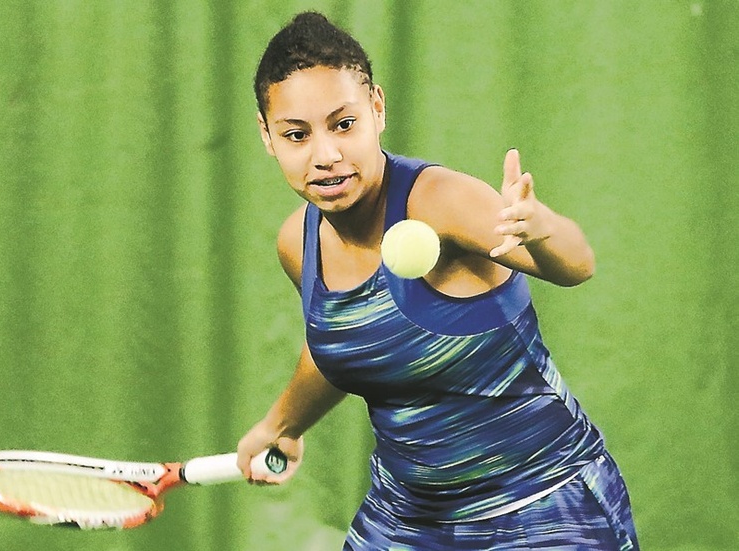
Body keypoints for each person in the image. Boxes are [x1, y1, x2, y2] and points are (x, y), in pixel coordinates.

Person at [235, 11, 638, 550]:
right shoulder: (297, 243)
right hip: (405, 517)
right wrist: (281, 425)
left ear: (377, 107)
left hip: (542, 503)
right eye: (296, 134)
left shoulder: (442, 202)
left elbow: (575, 266)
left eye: (344, 124)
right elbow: (341, 341)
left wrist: (542, 230)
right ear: (267, 135)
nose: (325, 154)